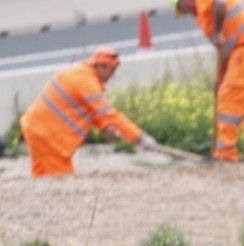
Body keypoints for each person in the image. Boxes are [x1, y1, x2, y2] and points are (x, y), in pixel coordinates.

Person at [19, 48, 161, 178]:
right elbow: (108, 113)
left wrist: (106, 128)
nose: (112, 76)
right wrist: (140, 137)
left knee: (43, 177)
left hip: (40, 130)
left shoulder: (82, 75)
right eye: (111, 71)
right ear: (101, 66)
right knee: (59, 179)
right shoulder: (86, 82)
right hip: (47, 135)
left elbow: (93, 112)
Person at [176, 0, 244, 163]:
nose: (187, 13)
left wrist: (216, 32)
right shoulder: (206, 18)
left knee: (228, 99)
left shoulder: (204, 5)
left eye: (183, 8)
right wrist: (221, 78)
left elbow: (220, 3)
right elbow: (224, 50)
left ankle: (225, 153)